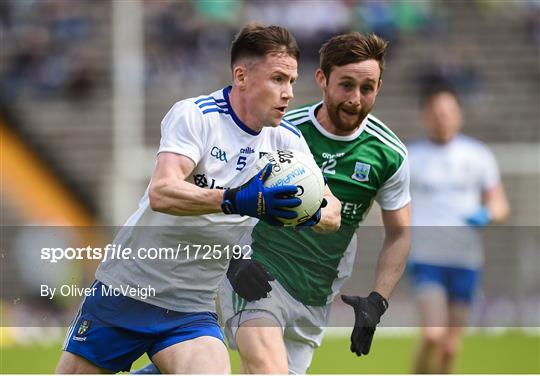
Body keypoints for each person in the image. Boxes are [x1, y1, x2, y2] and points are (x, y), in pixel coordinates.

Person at [56, 23, 340, 374]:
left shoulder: (288, 141)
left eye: (292, 81)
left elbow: (333, 211)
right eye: (278, 79)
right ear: (241, 75)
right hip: (127, 290)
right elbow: (162, 191)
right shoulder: (197, 116)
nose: (289, 93)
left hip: (191, 307)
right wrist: (235, 199)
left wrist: (308, 212)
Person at [219, 32, 411, 374]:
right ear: (322, 79)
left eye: (367, 88)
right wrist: (233, 260)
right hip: (259, 276)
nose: (355, 98)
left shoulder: (389, 154)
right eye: (346, 85)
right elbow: (222, 196)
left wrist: (378, 301)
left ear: (379, 86)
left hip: (314, 295)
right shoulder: (282, 131)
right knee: (267, 368)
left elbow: (400, 235)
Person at [407, 84, 510, 374]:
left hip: (465, 260)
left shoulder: (478, 155)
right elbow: (393, 210)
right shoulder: (410, 157)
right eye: (436, 112)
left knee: (450, 347)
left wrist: (487, 213)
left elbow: (500, 204)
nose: (442, 117)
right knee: (432, 335)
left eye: (448, 112)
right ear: (424, 116)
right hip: (427, 259)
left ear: (459, 114)